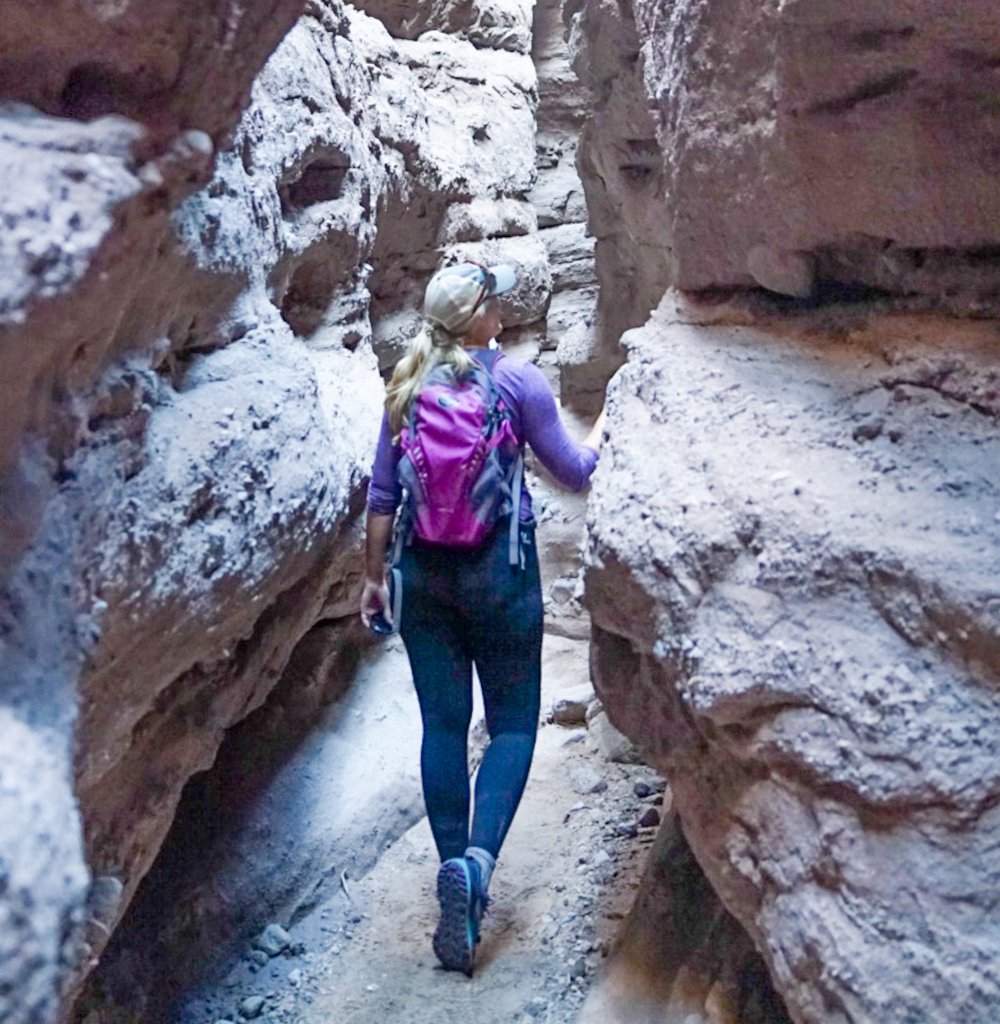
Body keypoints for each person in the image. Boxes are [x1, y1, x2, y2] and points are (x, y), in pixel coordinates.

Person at [360, 261, 606, 975]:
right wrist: (611, 421)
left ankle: (449, 866)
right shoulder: (519, 382)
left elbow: (381, 495)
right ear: (481, 317)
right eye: (493, 301)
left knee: (442, 725)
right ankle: (476, 864)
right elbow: (574, 471)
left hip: (420, 577)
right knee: (510, 726)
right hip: (500, 576)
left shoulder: (404, 387)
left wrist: (372, 580)